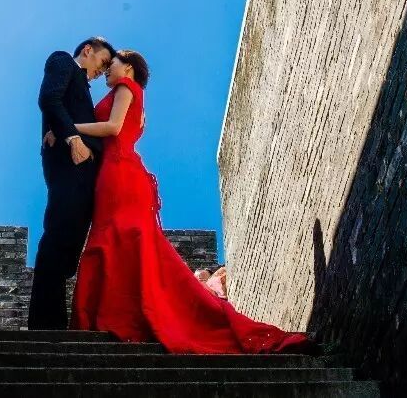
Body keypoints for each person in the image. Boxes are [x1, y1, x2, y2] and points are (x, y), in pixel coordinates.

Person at [63, 49, 317, 353]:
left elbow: (113, 128)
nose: (107, 68)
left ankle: (124, 317)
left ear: (128, 67)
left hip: (119, 174)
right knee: (123, 242)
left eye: (112, 62)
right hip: (120, 173)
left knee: (118, 240)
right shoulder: (134, 97)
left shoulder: (126, 87)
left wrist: (67, 128)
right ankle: (133, 316)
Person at [27, 36, 116, 329]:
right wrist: (72, 138)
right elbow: (49, 99)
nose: (102, 71)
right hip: (68, 166)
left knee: (67, 255)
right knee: (56, 240)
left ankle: (54, 325)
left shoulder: (85, 92)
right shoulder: (63, 60)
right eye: (102, 62)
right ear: (88, 50)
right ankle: (44, 328)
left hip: (84, 176)